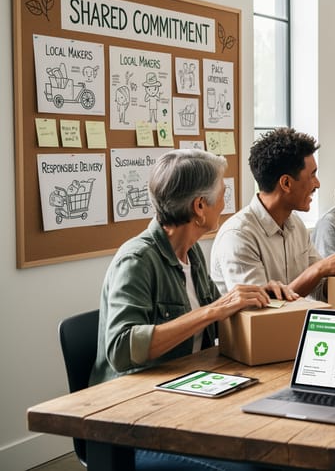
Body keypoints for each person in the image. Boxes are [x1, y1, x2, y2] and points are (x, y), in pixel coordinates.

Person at [90, 149, 287, 470]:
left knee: (278, 447)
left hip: (188, 399)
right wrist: (213, 311)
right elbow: (122, 348)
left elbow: (217, 315)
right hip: (135, 425)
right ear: (199, 206)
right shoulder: (137, 260)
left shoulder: (191, 254)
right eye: (222, 194)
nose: (225, 203)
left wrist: (254, 295)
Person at [210, 128, 335, 299]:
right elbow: (261, 310)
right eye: (312, 175)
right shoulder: (238, 236)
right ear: (286, 183)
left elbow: (319, 288)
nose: (318, 184)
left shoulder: (296, 224)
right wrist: (320, 269)